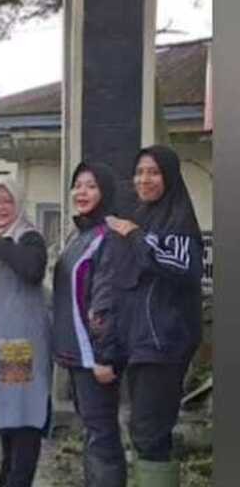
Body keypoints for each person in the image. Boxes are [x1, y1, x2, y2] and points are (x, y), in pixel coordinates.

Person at [105, 145, 203, 487]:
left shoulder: (178, 220)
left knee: (150, 432)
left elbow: (181, 265)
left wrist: (135, 235)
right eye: (140, 172)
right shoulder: (140, 215)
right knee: (143, 430)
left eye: (154, 172)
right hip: (138, 342)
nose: (144, 179)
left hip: (165, 342)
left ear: (170, 177)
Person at [52, 161, 135, 487]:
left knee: (102, 435)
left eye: (91, 186)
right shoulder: (80, 235)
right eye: (78, 185)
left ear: (105, 192)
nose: (81, 192)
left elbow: (108, 299)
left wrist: (104, 356)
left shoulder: (108, 237)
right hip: (76, 354)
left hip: (95, 356)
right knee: (92, 431)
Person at [0, 179, 51, 487]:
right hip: (1, 342)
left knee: (24, 414)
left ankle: (19, 479)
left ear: (19, 204)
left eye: (6, 201)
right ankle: (6, 474)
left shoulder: (28, 236)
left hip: (21, 345)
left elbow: (31, 269)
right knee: (7, 410)